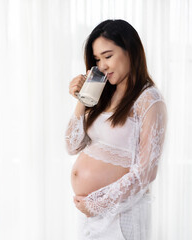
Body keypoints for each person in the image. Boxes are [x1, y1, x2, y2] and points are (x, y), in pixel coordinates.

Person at [65, 19, 167, 240]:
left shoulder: (149, 99)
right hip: (89, 215)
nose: (102, 66)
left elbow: (147, 171)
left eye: (108, 56)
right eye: (97, 59)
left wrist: (100, 204)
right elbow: (72, 146)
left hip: (120, 215)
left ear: (130, 50)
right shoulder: (103, 93)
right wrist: (81, 100)